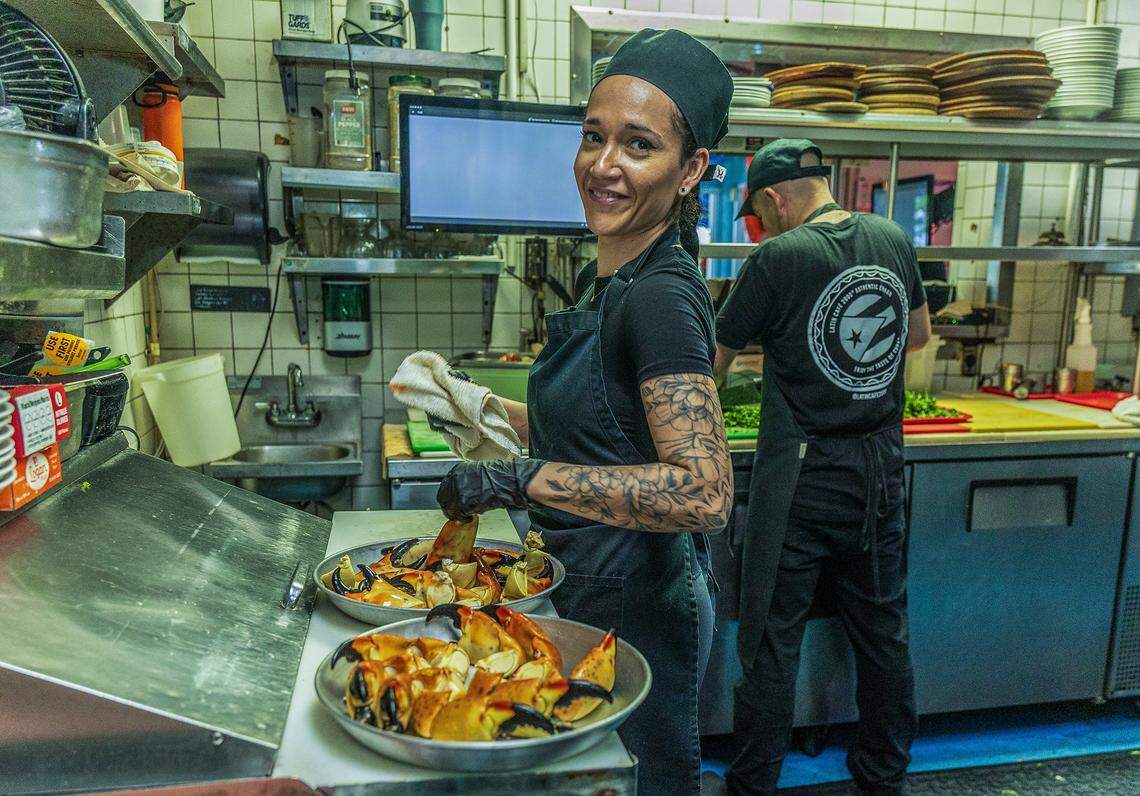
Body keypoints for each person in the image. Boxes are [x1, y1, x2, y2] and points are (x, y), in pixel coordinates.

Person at [433, 28, 734, 796]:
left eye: (638, 146)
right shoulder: (613, 281)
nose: (604, 166)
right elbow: (607, 430)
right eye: (594, 137)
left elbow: (703, 493)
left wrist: (520, 478)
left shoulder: (661, 297)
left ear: (692, 168)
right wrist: (480, 410)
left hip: (639, 606)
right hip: (592, 590)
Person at [715, 139, 931, 795]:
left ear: (775, 200)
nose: (762, 224)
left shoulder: (777, 257)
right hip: (880, 475)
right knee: (883, 634)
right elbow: (916, 336)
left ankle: (753, 781)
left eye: (759, 212)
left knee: (772, 641)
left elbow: (712, 366)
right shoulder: (892, 236)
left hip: (802, 481)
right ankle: (883, 773)